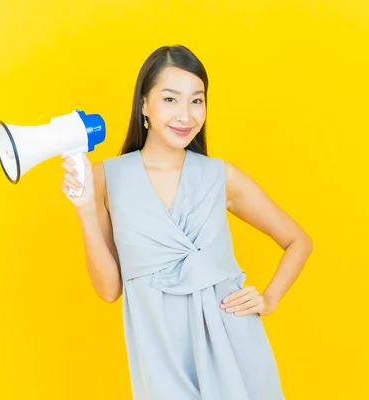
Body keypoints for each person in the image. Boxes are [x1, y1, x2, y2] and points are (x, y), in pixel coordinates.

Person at [61, 45, 313, 400]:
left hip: (236, 348)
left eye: (197, 101)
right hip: (160, 360)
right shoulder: (106, 178)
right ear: (144, 105)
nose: (186, 115)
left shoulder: (220, 175)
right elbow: (109, 290)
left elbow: (298, 241)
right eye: (170, 99)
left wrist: (269, 298)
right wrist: (86, 211)